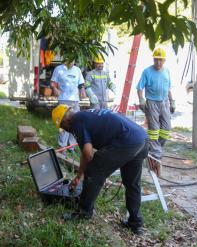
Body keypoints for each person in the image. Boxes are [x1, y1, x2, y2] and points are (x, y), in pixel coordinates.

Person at [52, 105, 148, 235]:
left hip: (126, 141)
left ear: (65, 122)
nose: (66, 131)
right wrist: (78, 176)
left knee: (93, 170)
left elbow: (88, 154)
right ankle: (135, 223)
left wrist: (83, 173)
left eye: (63, 128)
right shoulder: (86, 115)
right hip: (141, 138)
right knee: (132, 183)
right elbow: (85, 152)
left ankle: (84, 212)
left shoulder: (76, 122)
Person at [136, 48, 175, 162]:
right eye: (156, 60)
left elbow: (168, 88)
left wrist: (172, 101)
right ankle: (155, 153)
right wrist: (141, 100)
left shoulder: (167, 71)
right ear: (153, 59)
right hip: (152, 102)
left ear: (164, 60)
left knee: (166, 129)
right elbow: (139, 87)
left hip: (164, 102)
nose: (158, 63)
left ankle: (155, 147)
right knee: (154, 129)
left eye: (161, 60)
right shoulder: (147, 71)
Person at [50, 56, 86, 149]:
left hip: (75, 100)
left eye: (74, 60)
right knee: (64, 123)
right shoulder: (59, 69)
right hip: (63, 99)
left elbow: (81, 83)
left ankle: (71, 146)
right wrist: (55, 89)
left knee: (76, 122)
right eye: (70, 59)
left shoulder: (77, 70)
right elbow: (53, 82)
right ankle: (62, 145)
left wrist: (82, 90)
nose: (72, 62)